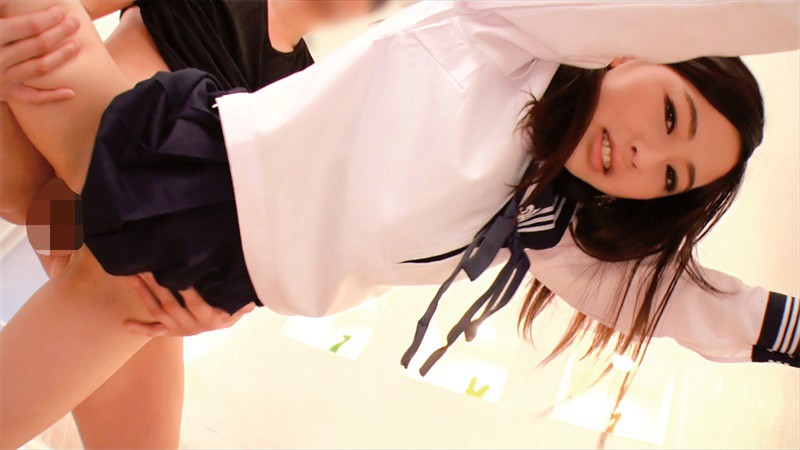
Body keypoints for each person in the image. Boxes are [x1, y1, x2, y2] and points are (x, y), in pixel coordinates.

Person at [1, 0, 798, 447]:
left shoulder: (540, 225)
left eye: (670, 178)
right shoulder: (516, 36)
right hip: (185, 169)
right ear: (634, 51)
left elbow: (667, 299)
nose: (645, 155)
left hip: (201, 264)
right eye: (670, 115)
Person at [0, 0, 382, 447]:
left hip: (126, 238)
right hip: (62, 190)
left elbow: (263, 228)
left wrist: (224, 309)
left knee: (145, 298)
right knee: (106, 252)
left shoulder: (306, 87)